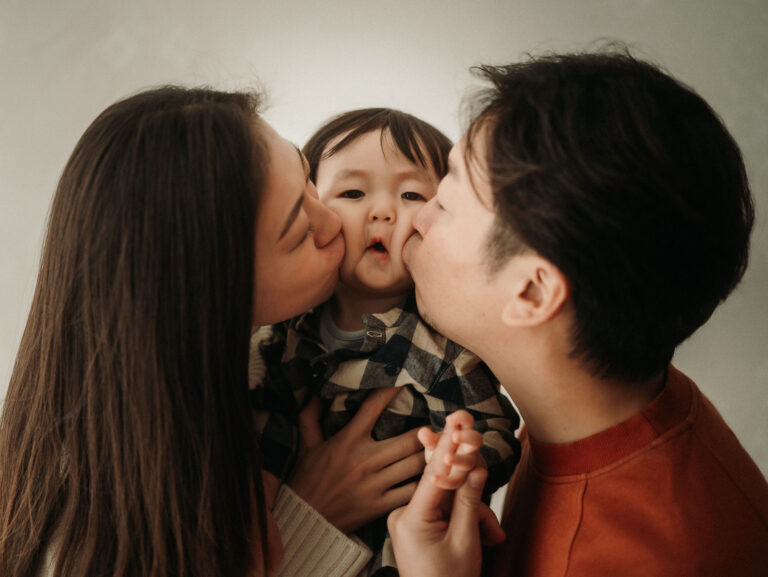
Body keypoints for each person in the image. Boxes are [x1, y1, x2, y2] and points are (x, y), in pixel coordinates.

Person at [0, 86, 425, 577]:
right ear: (212, 297)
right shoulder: (83, 531)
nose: (331, 220)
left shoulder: (273, 354)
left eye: (307, 179)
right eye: (298, 233)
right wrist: (311, 517)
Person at [388, 49, 768, 576]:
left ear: (532, 295)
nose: (416, 218)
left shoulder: (641, 557)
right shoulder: (606, 408)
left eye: (444, 203)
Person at [250, 108, 520, 575]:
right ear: (315, 212)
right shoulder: (285, 334)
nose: (383, 211)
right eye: (353, 192)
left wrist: (460, 461)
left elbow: (493, 429)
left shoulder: (438, 348)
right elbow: (264, 417)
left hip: (402, 545)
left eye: (412, 194)